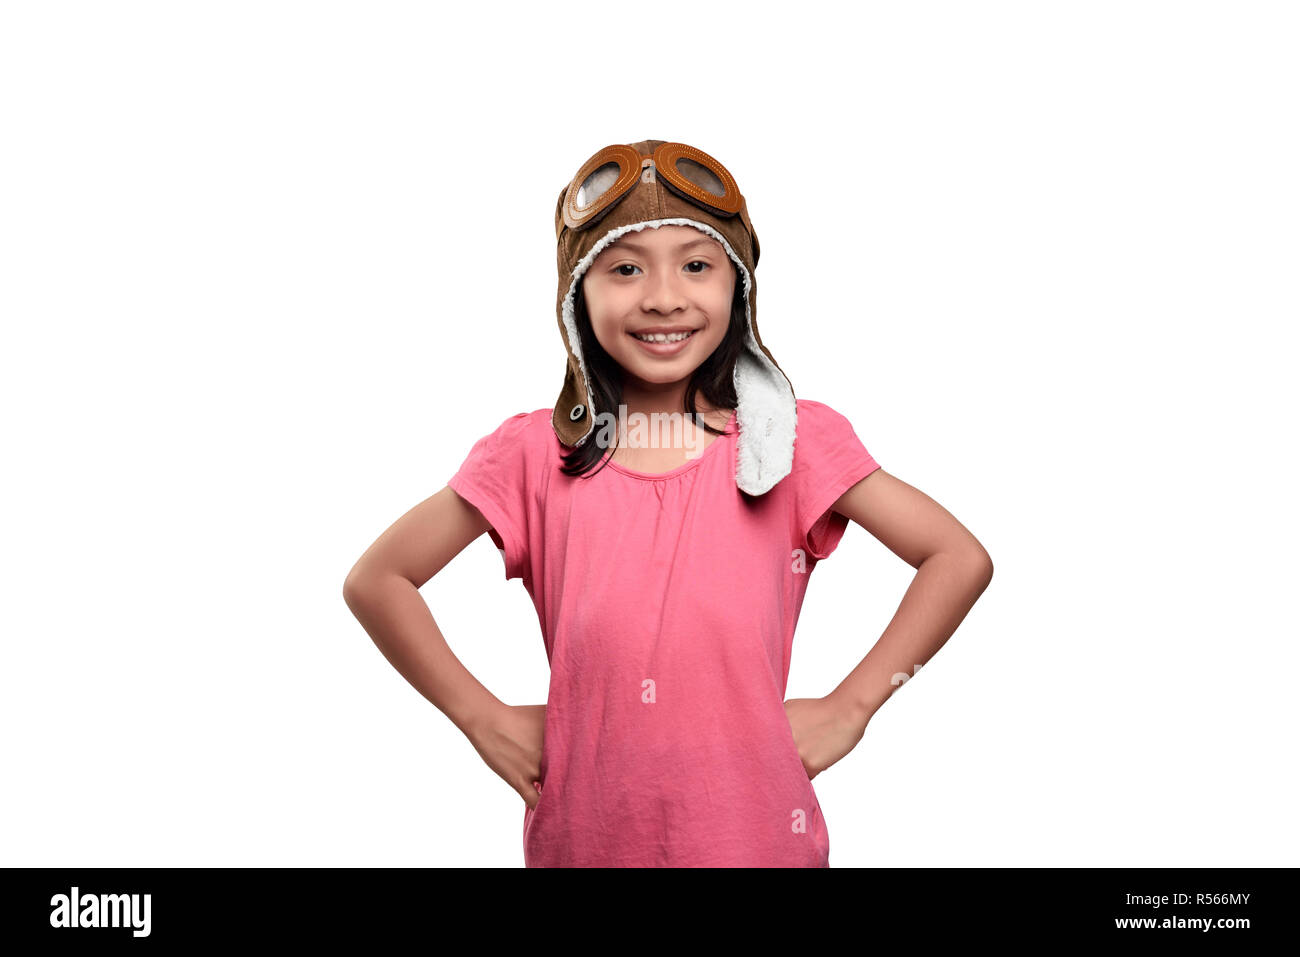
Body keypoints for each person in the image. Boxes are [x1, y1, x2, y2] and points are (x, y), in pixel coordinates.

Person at [343, 139, 994, 867]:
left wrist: (852, 707)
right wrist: (480, 716)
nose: (662, 296)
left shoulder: (790, 443)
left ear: (737, 285)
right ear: (575, 293)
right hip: (582, 844)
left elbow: (956, 557)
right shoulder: (532, 454)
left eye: (696, 264)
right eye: (625, 268)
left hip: (758, 844)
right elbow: (377, 580)